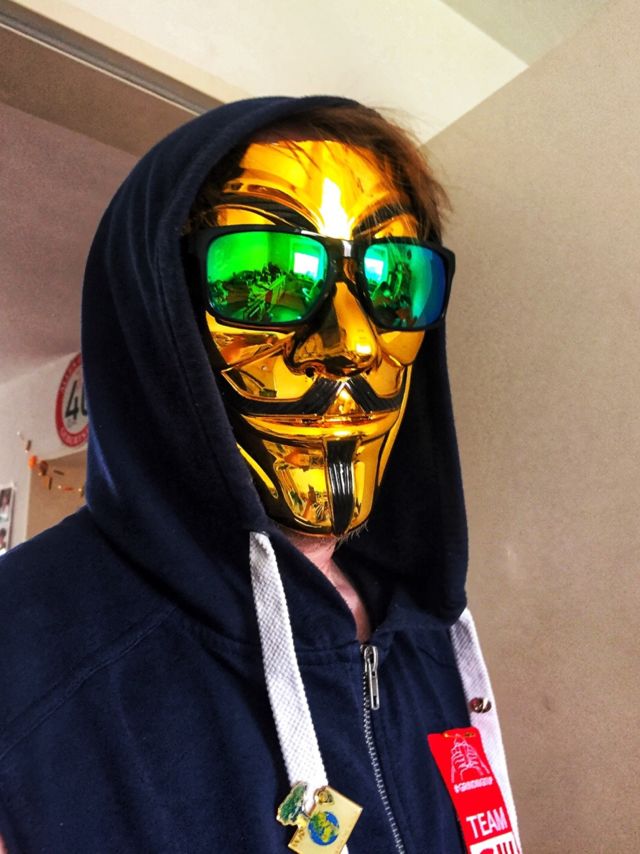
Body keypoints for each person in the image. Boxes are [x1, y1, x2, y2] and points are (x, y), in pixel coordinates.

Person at [0, 97, 520, 853]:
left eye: (395, 279)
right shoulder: (21, 654)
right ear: (156, 310)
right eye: (267, 278)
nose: (351, 344)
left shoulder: (423, 630)